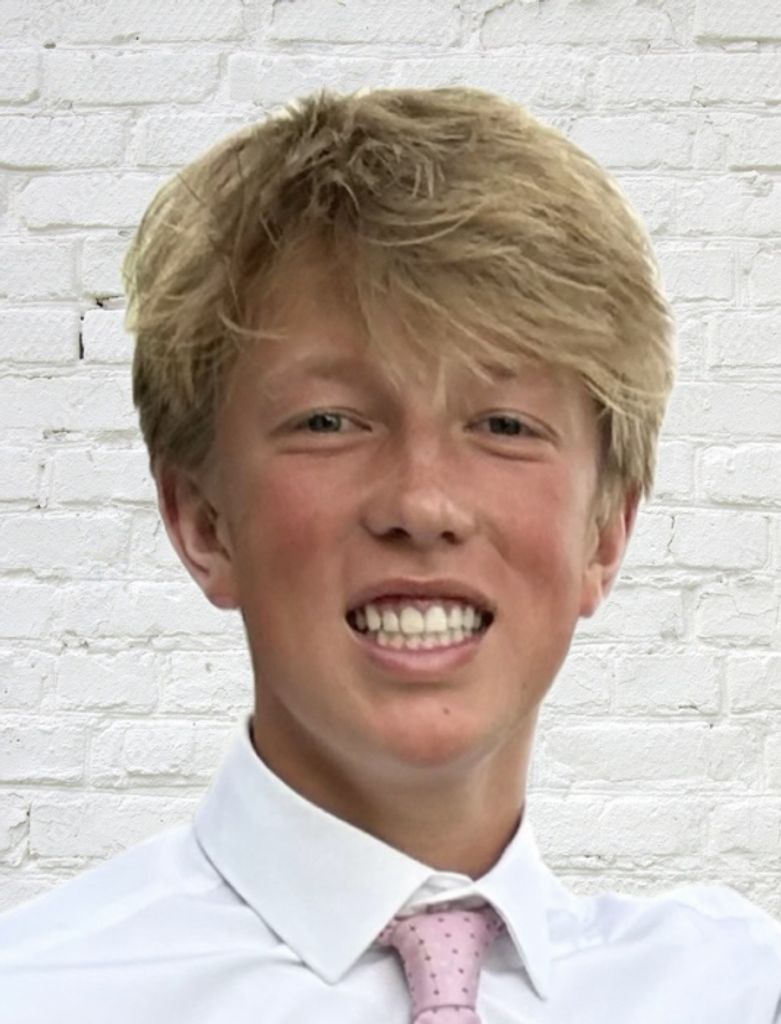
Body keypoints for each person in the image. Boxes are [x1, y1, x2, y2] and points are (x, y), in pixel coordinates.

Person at [1, 86, 779, 1023]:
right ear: (203, 522)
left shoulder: (738, 988)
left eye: (503, 425)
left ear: (604, 533)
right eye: (329, 422)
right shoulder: (37, 993)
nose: (422, 504)